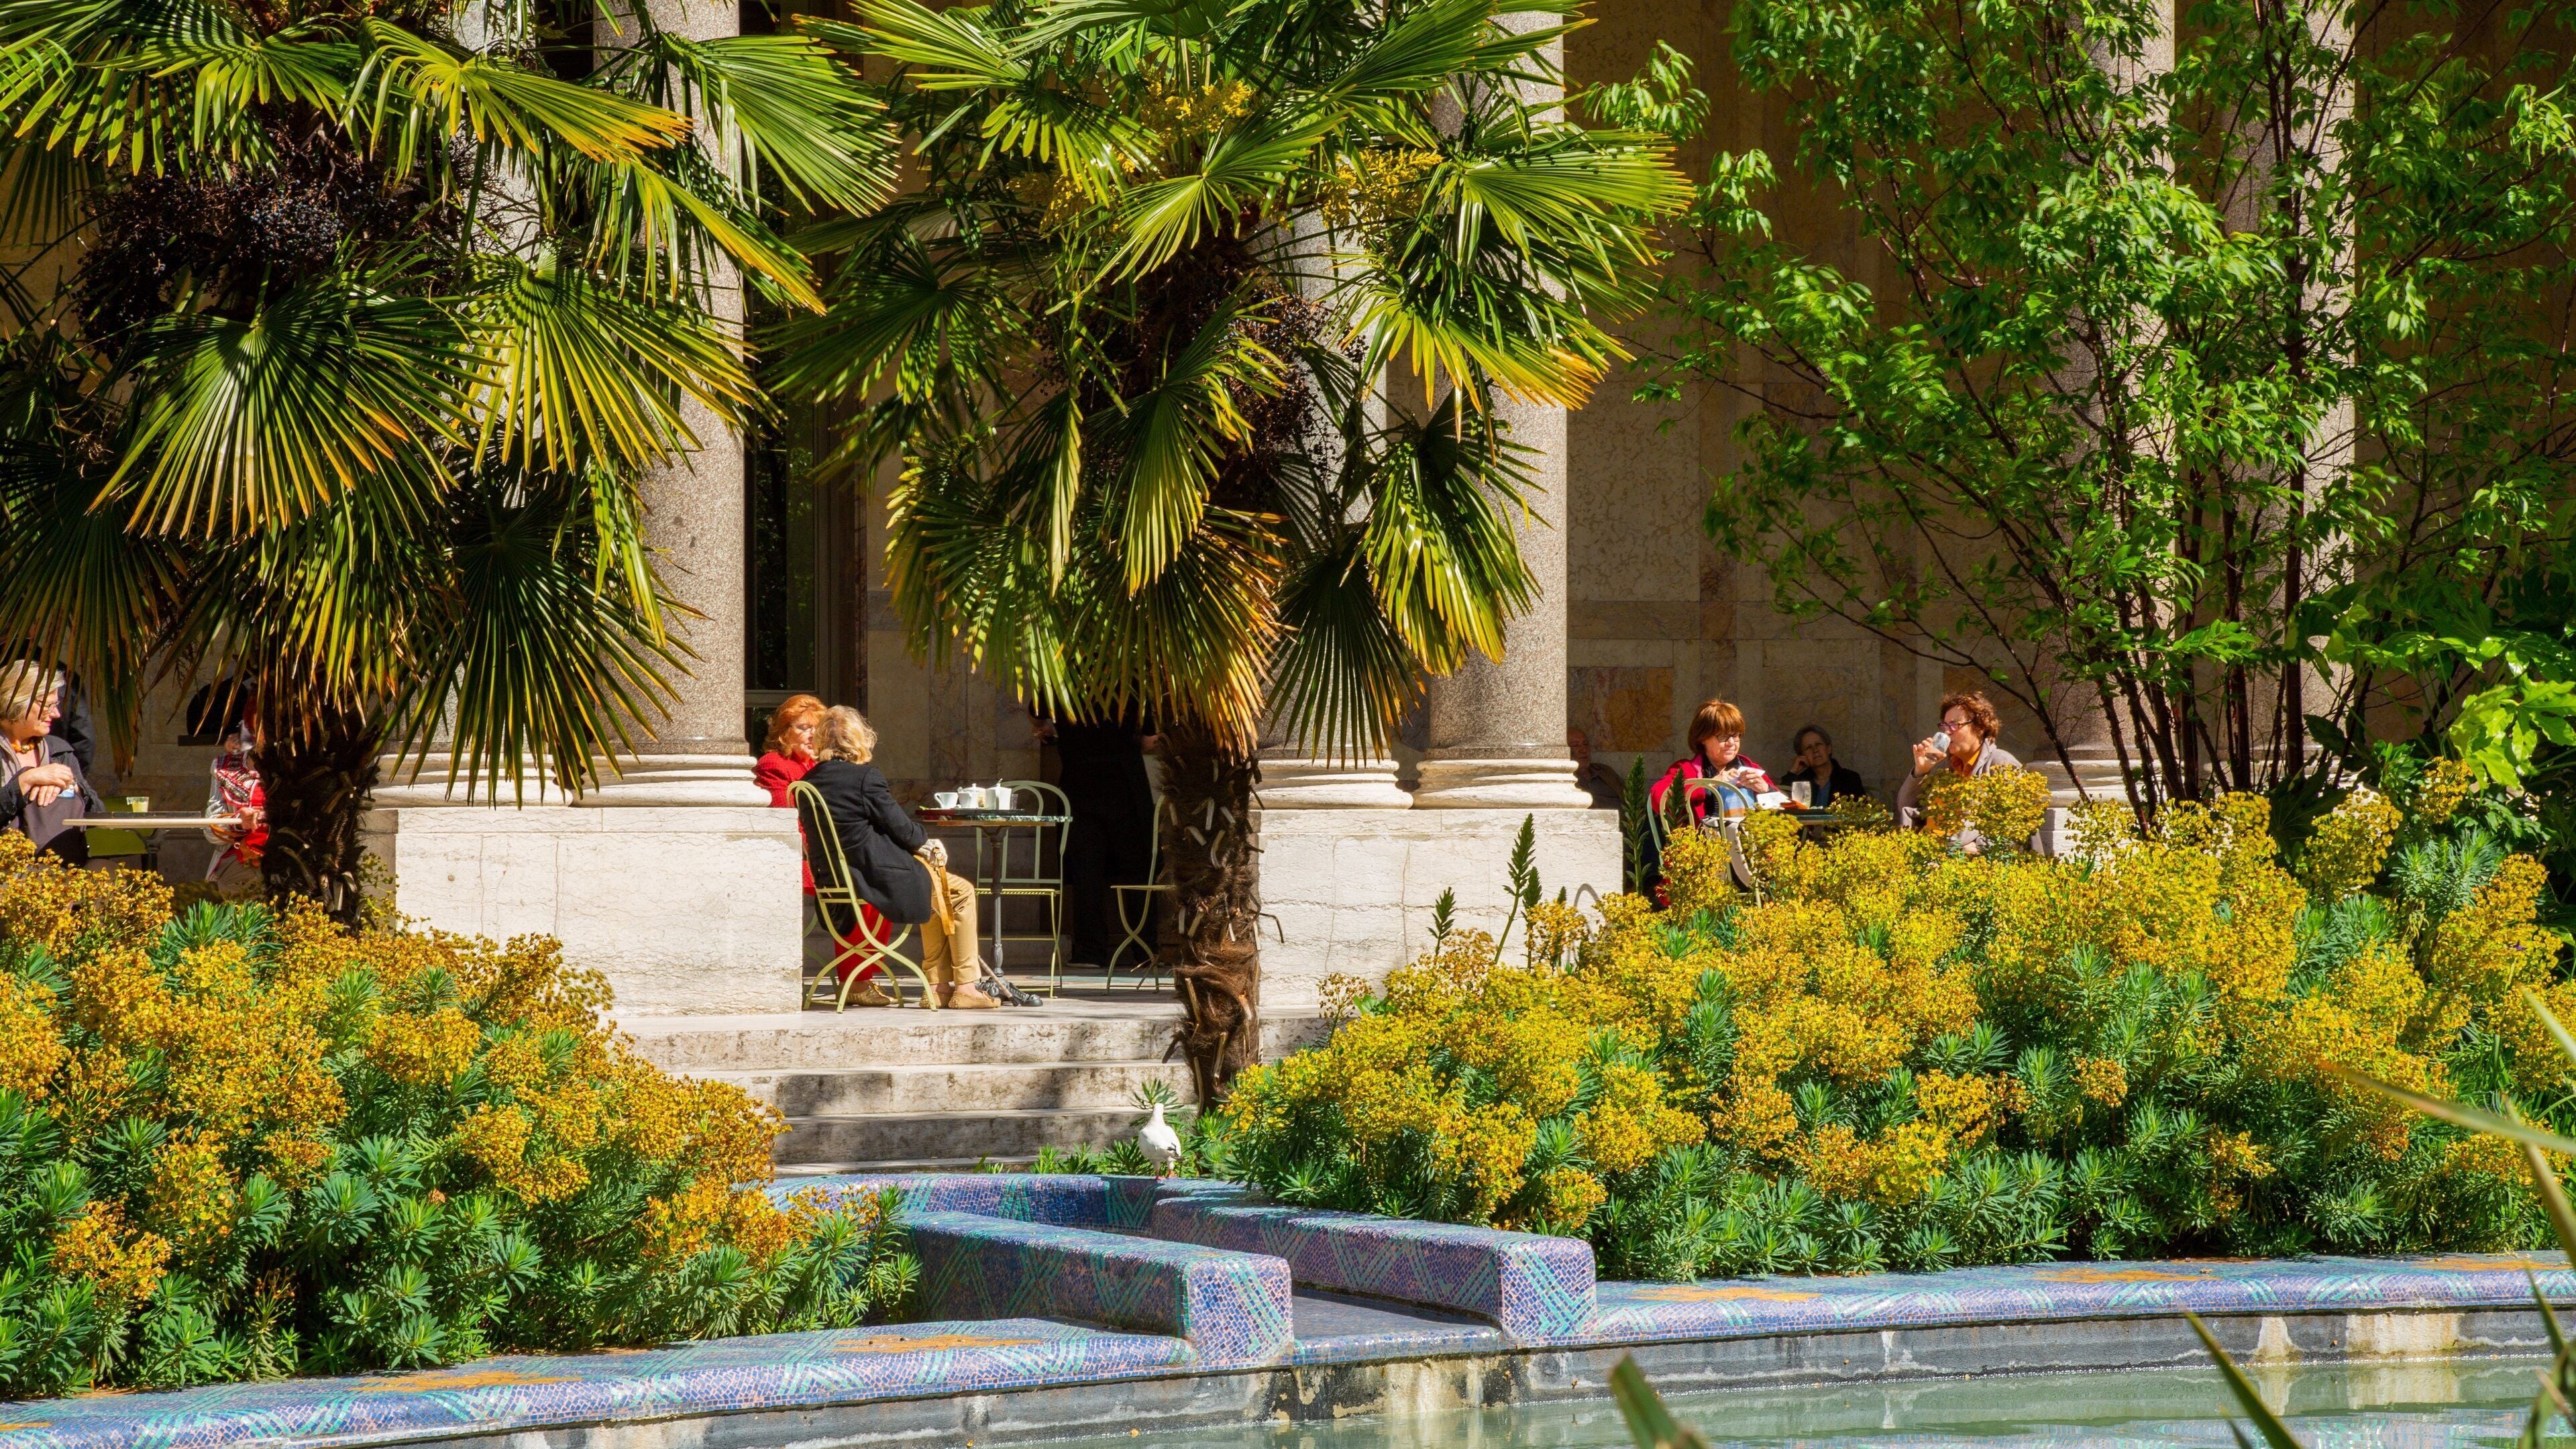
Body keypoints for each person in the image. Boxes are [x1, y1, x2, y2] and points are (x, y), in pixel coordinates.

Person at [800, 706, 999, 1009]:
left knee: (936, 888)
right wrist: (927, 842)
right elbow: (902, 829)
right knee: (959, 892)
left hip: (835, 881)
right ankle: (964, 987)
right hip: (875, 878)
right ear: (861, 740)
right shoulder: (865, 778)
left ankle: (939, 988)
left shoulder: (808, 783)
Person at [1045, 710, 1157, 972]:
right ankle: (1145, 949)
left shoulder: (1061, 681)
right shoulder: (1132, 681)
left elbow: (1037, 717)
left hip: (1079, 783)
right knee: (1137, 871)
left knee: (1087, 871)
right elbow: (1151, 740)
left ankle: (1089, 952)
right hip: (1125, 783)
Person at [0, 661, 101, 861]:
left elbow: (97, 813)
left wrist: (71, 788)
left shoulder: (58, 751)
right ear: (16, 701)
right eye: (48, 705)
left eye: (56, 705)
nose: (57, 714)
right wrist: (24, 782)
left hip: (62, 873)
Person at [1896, 690, 2023, 847]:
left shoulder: (2001, 764)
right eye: (1944, 725)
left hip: (1968, 866)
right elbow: (1906, 807)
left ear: (1980, 727)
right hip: (1928, 854)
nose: (1947, 732)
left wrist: (1978, 848)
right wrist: (1921, 771)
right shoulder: (1943, 767)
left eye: (1955, 725)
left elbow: (2015, 824)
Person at [1650, 698, 1778, 828]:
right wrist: (1710, 785)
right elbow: (1658, 799)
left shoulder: (1751, 768)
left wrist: (1766, 789)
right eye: (1723, 737)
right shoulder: (1685, 769)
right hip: (1700, 846)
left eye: (1736, 736)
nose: (1732, 743)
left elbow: (1785, 809)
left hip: (1750, 845)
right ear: (1703, 738)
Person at [203, 718, 267, 894]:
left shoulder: (299, 768)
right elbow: (210, 830)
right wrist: (239, 822)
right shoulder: (225, 767)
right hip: (240, 864)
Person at [1782, 724, 1868, 809]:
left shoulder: (1849, 778)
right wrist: (1793, 772)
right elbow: (1780, 803)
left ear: (1829, 748)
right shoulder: (1801, 781)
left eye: (1818, 744)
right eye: (1808, 747)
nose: (1815, 750)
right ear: (1802, 755)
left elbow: (1860, 812)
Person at [1568, 727, 1625, 811]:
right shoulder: (1564, 780)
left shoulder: (1605, 771)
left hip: (1629, 822)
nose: (1584, 750)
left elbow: (1631, 799)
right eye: (1575, 745)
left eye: (1586, 744)